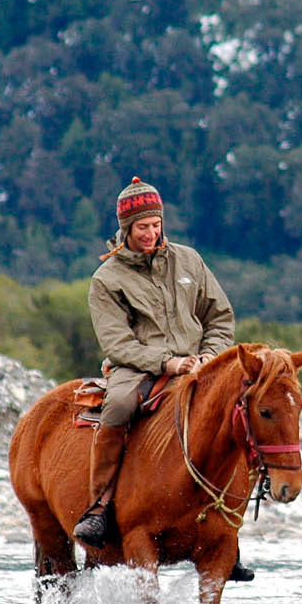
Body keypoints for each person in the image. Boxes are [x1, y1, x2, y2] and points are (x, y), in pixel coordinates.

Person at [75, 177, 241, 561]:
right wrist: (167, 363)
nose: (151, 233)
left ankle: (229, 524)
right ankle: (100, 505)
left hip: (198, 363)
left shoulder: (190, 260)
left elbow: (220, 317)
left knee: (238, 407)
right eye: (142, 227)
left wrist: (209, 357)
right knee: (116, 406)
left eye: (155, 225)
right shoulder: (107, 279)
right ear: (126, 229)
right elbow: (117, 343)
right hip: (136, 367)